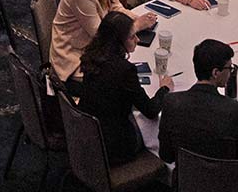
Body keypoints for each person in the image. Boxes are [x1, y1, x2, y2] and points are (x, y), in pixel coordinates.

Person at [70, 10, 170, 167]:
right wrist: (164, 89)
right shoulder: (124, 70)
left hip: (86, 135)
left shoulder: (90, 56)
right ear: (117, 42)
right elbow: (151, 110)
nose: (137, 40)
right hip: (115, 147)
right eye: (132, 37)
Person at [156, 39, 238, 172]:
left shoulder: (171, 102)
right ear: (215, 73)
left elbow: (166, 155)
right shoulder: (234, 110)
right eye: (229, 68)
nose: (231, 72)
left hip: (185, 181)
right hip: (225, 183)